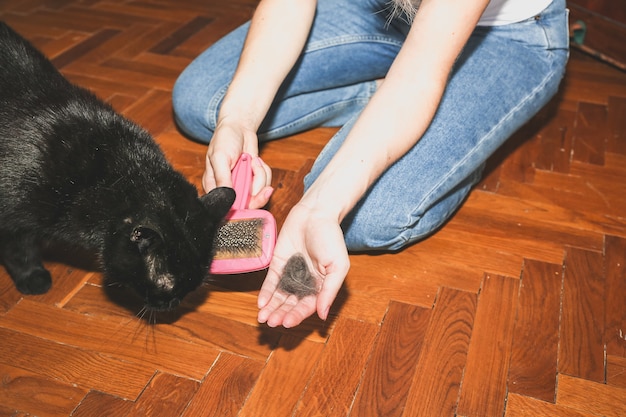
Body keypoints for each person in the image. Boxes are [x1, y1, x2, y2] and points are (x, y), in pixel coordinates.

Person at [172, 0, 569, 328]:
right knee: (204, 103)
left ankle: (462, 133)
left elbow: (417, 75)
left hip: (504, 36)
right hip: (379, 10)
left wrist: (318, 208)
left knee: (365, 218)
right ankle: (378, 101)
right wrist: (238, 119)